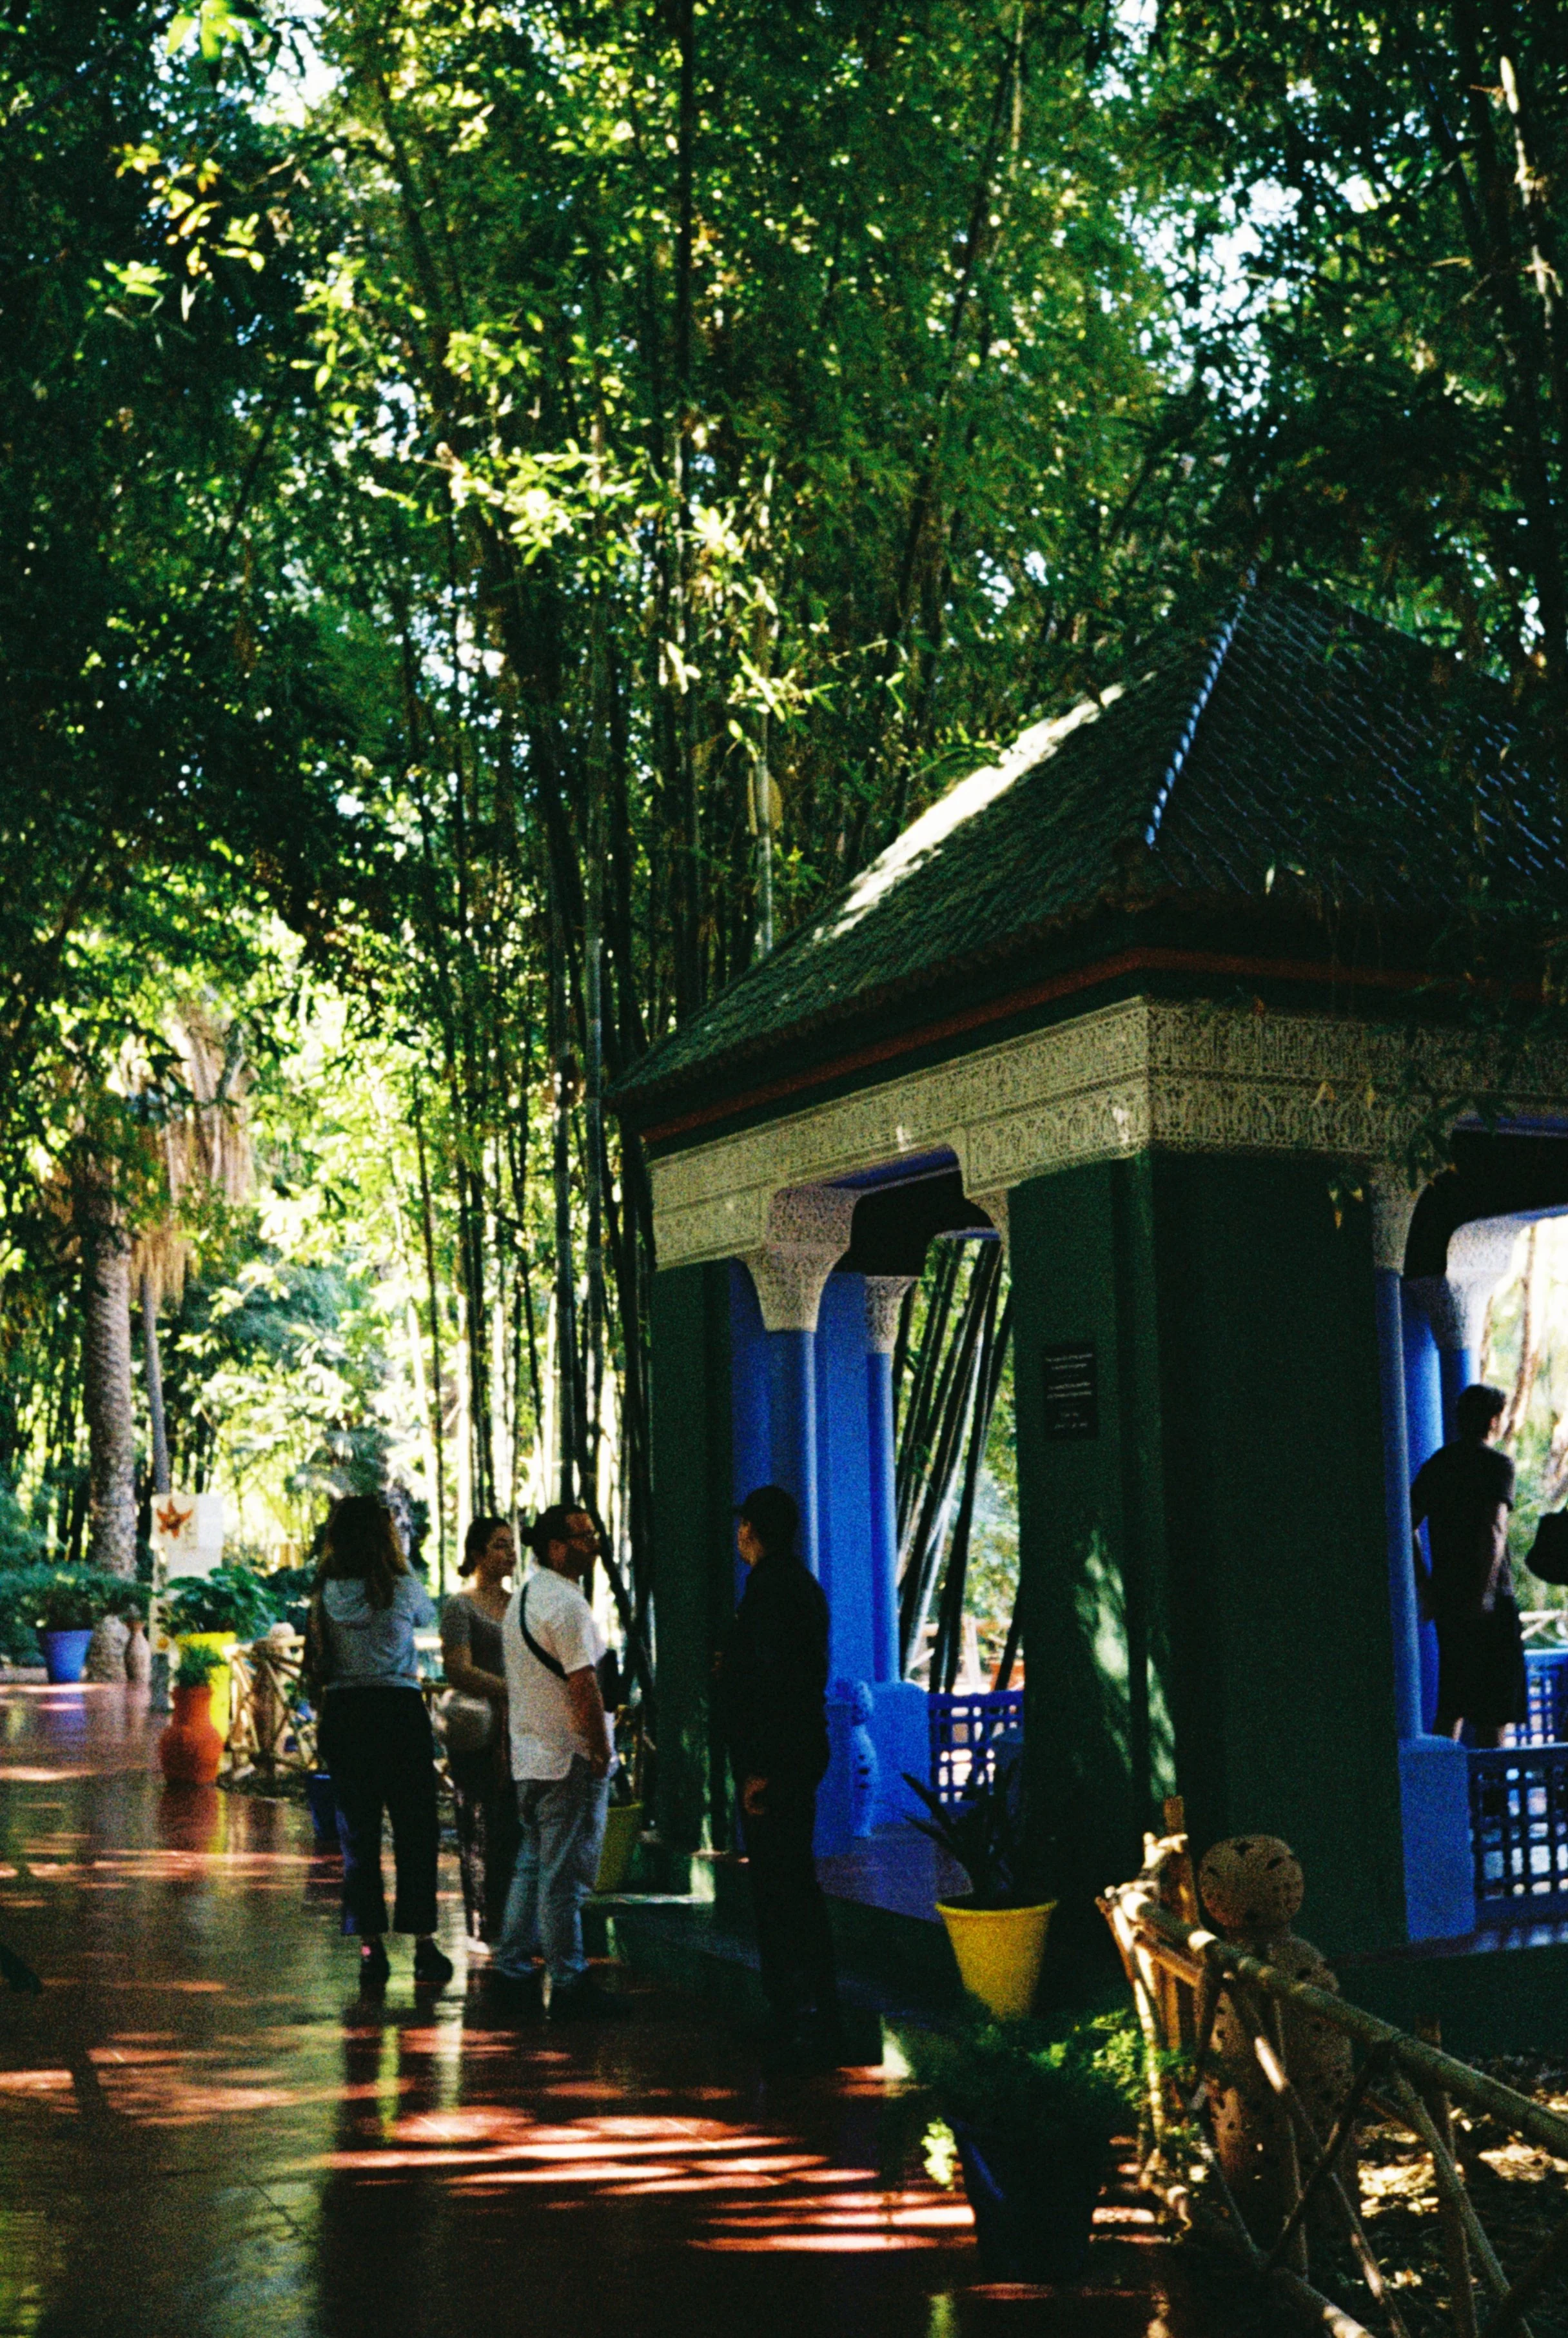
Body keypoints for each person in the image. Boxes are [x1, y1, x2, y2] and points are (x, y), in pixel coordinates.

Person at [715, 1484, 841, 2069]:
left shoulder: (768, 1592)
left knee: (782, 1884)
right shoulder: (799, 1587)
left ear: (751, 1532)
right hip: (798, 1750)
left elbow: (772, 1687)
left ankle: (801, 2013)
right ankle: (809, 2008)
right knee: (792, 1880)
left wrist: (763, 1768)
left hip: (776, 1757)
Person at [311, 1493, 454, 1992]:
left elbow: (318, 1660)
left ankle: (370, 1947)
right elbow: (428, 1617)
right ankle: (423, 1945)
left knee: (359, 1837)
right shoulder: (404, 1586)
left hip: (348, 1715)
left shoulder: (325, 1590)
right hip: (398, 1712)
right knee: (417, 1830)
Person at [493, 1505, 621, 2016]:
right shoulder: (567, 1606)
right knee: (563, 1877)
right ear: (555, 1548)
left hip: (531, 1756)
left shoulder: (524, 1598)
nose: (594, 1544)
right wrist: (601, 1749)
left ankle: (513, 1968)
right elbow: (583, 1684)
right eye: (583, 1536)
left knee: (531, 1867)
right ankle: (569, 1981)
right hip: (566, 1758)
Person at [1411, 1382, 1526, 1748]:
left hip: (1449, 1600)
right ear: (1493, 1421)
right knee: (1494, 1711)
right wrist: (1485, 1595)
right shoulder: (1498, 1465)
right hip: (1491, 1603)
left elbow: (1405, 1525)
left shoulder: (1438, 1465)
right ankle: (1491, 1802)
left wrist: (1426, 1586)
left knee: (1452, 1705)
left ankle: (1448, 1800)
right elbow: (1494, 1530)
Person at [441, 1516, 522, 1945]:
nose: (509, 1554)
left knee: (515, 1822)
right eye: (499, 1545)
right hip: (481, 1728)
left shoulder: (520, 1603)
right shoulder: (460, 1606)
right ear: (476, 1553)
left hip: (520, 1727)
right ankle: (484, 1922)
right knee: (479, 1823)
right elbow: (458, 1668)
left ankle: (517, 1919)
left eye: (511, 1545)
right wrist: (509, 1691)